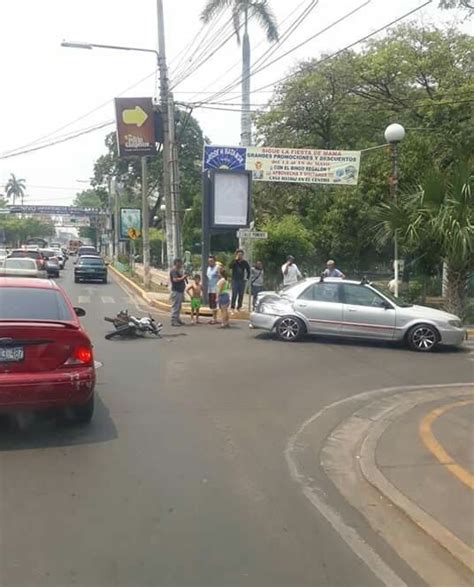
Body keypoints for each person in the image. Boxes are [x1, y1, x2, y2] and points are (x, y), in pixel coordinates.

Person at [169, 258, 187, 326]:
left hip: (180, 290)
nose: (181, 264)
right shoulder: (173, 270)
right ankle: (173, 320)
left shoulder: (178, 270)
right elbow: (175, 280)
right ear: (176, 263)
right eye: (179, 263)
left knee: (179, 306)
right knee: (175, 306)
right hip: (176, 291)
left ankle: (177, 319)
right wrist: (183, 277)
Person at [206, 255, 220, 324]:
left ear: (214, 261)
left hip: (215, 288)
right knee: (211, 303)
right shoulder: (208, 268)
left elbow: (221, 276)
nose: (210, 262)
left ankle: (215, 318)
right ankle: (213, 318)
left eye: (211, 261)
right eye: (209, 261)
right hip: (210, 288)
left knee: (215, 303)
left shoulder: (217, 268)